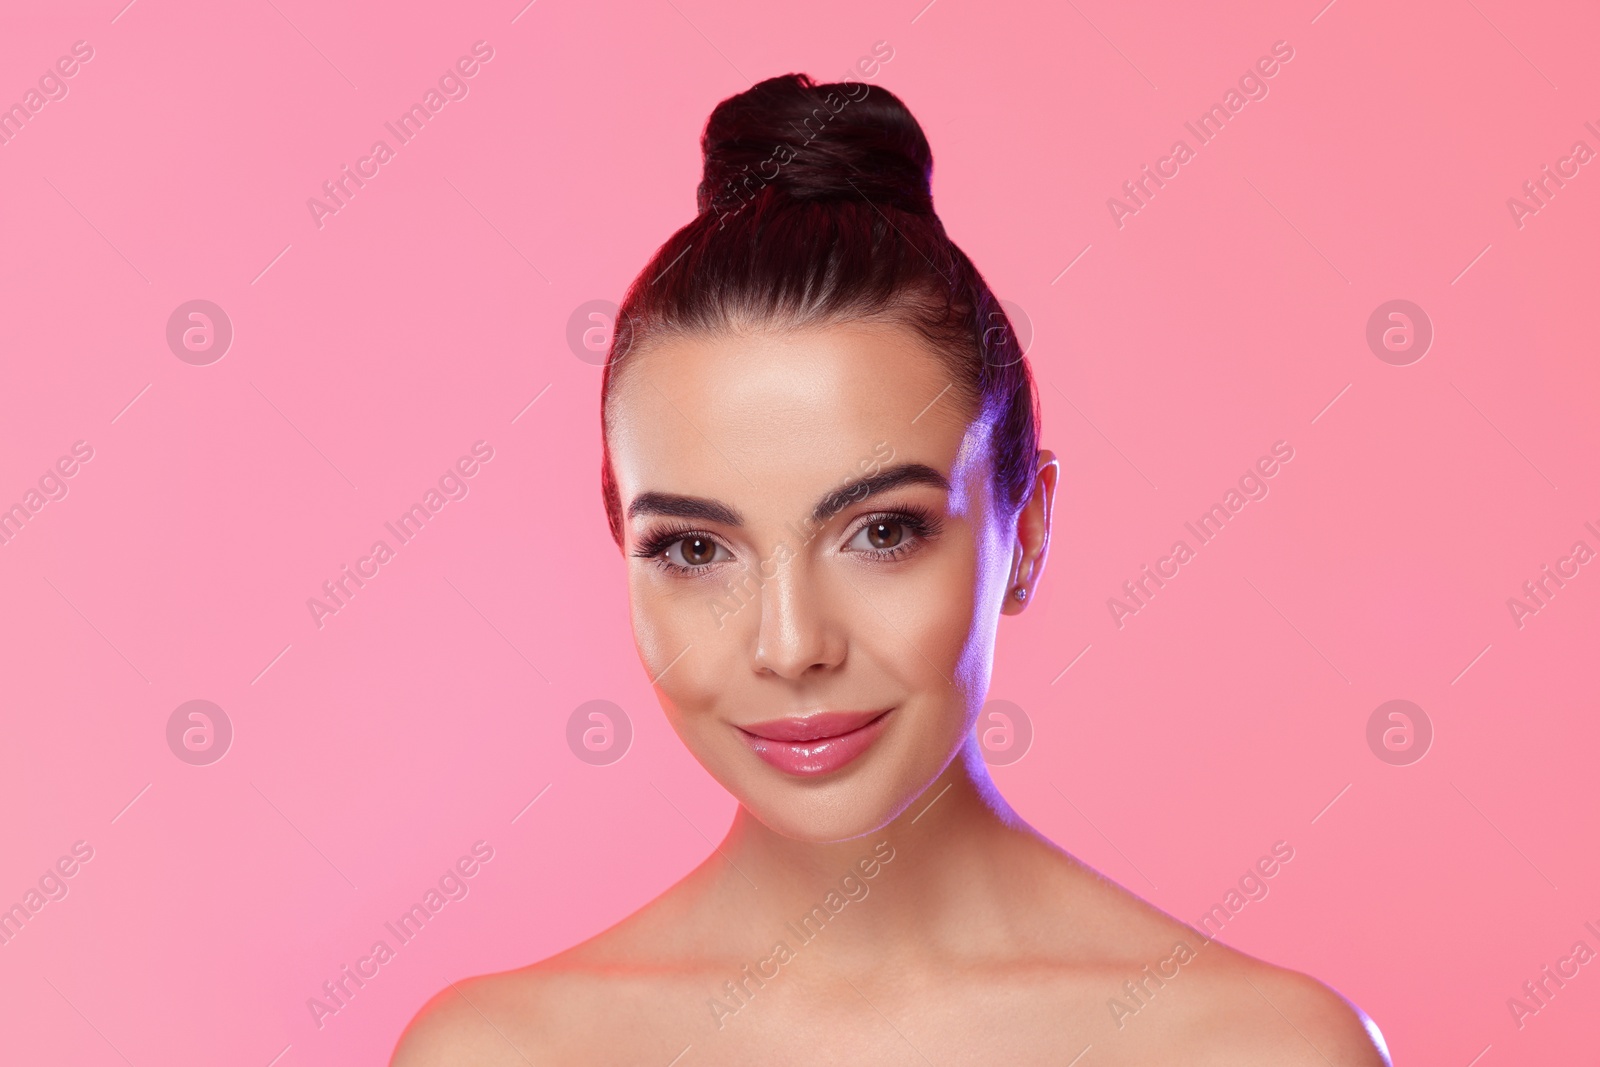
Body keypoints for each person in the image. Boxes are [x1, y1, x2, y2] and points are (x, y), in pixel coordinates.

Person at [393, 73, 1391, 1065]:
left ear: (1027, 528)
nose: (790, 646)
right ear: (624, 548)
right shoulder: (494, 1051)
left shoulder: (1260, 1047)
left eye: (880, 531)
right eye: (695, 548)